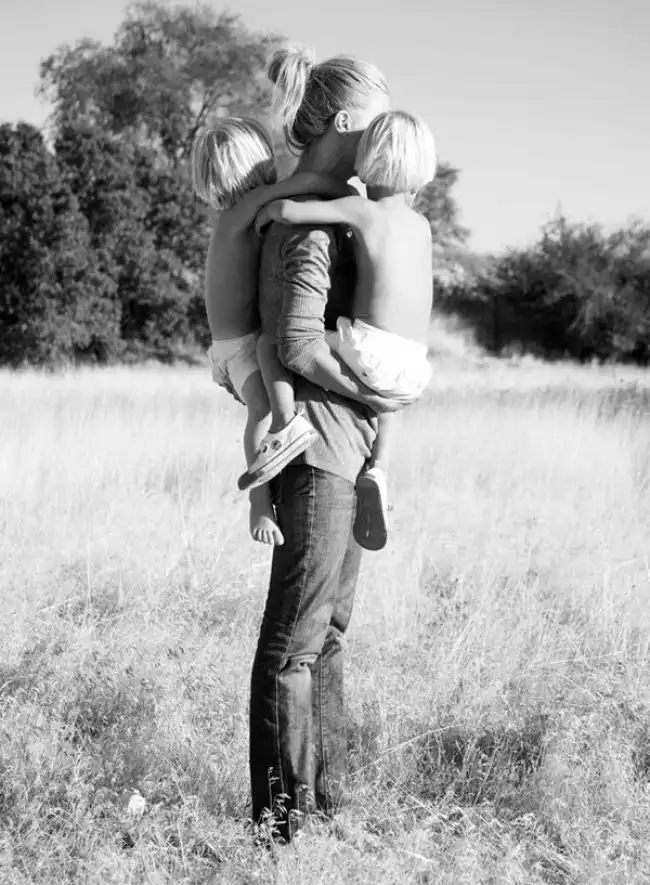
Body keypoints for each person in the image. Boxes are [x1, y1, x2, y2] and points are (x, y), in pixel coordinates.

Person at [250, 47, 409, 843]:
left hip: (344, 449)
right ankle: (279, 829)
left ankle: (325, 809)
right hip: (317, 450)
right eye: (377, 120)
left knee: (328, 639)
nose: (385, 134)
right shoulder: (306, 220)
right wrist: (376, 395)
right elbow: (298, 341)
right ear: (346, 122)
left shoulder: (332, 206)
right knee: (293, 645)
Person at [254, 109, 436, 550]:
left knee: (273, 343)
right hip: (414, 368)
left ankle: (283, 421)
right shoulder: (423, 227)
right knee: (387, 399)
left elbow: (291, 210)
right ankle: (379, 468)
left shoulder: (362, 211)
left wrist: (268, 212)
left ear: (368, 160)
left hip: (370, 351)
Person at [191, 118, 353, 546]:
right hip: (236, 348)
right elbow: (307, 181)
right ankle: (258, 503)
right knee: (261, 410)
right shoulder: (240, 211)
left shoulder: (237, 216)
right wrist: (351, 199)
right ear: (253, 166)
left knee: (267, 395)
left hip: (241, 342)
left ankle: (281, 451)